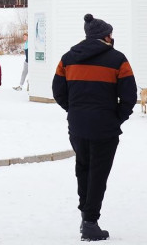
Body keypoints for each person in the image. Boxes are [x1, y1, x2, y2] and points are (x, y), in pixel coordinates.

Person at [53, 14, 137, 241]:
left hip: (78, 126)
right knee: (98, 174)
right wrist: (116, 118)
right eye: (111, 34)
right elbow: (129, 97)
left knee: (83, 168)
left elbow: (58, 92)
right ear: (105, 36)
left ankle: (86, 216)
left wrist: (75, 111)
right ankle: (90, 222)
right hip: (104, 129)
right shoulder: (118, 60)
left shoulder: (68, 59)